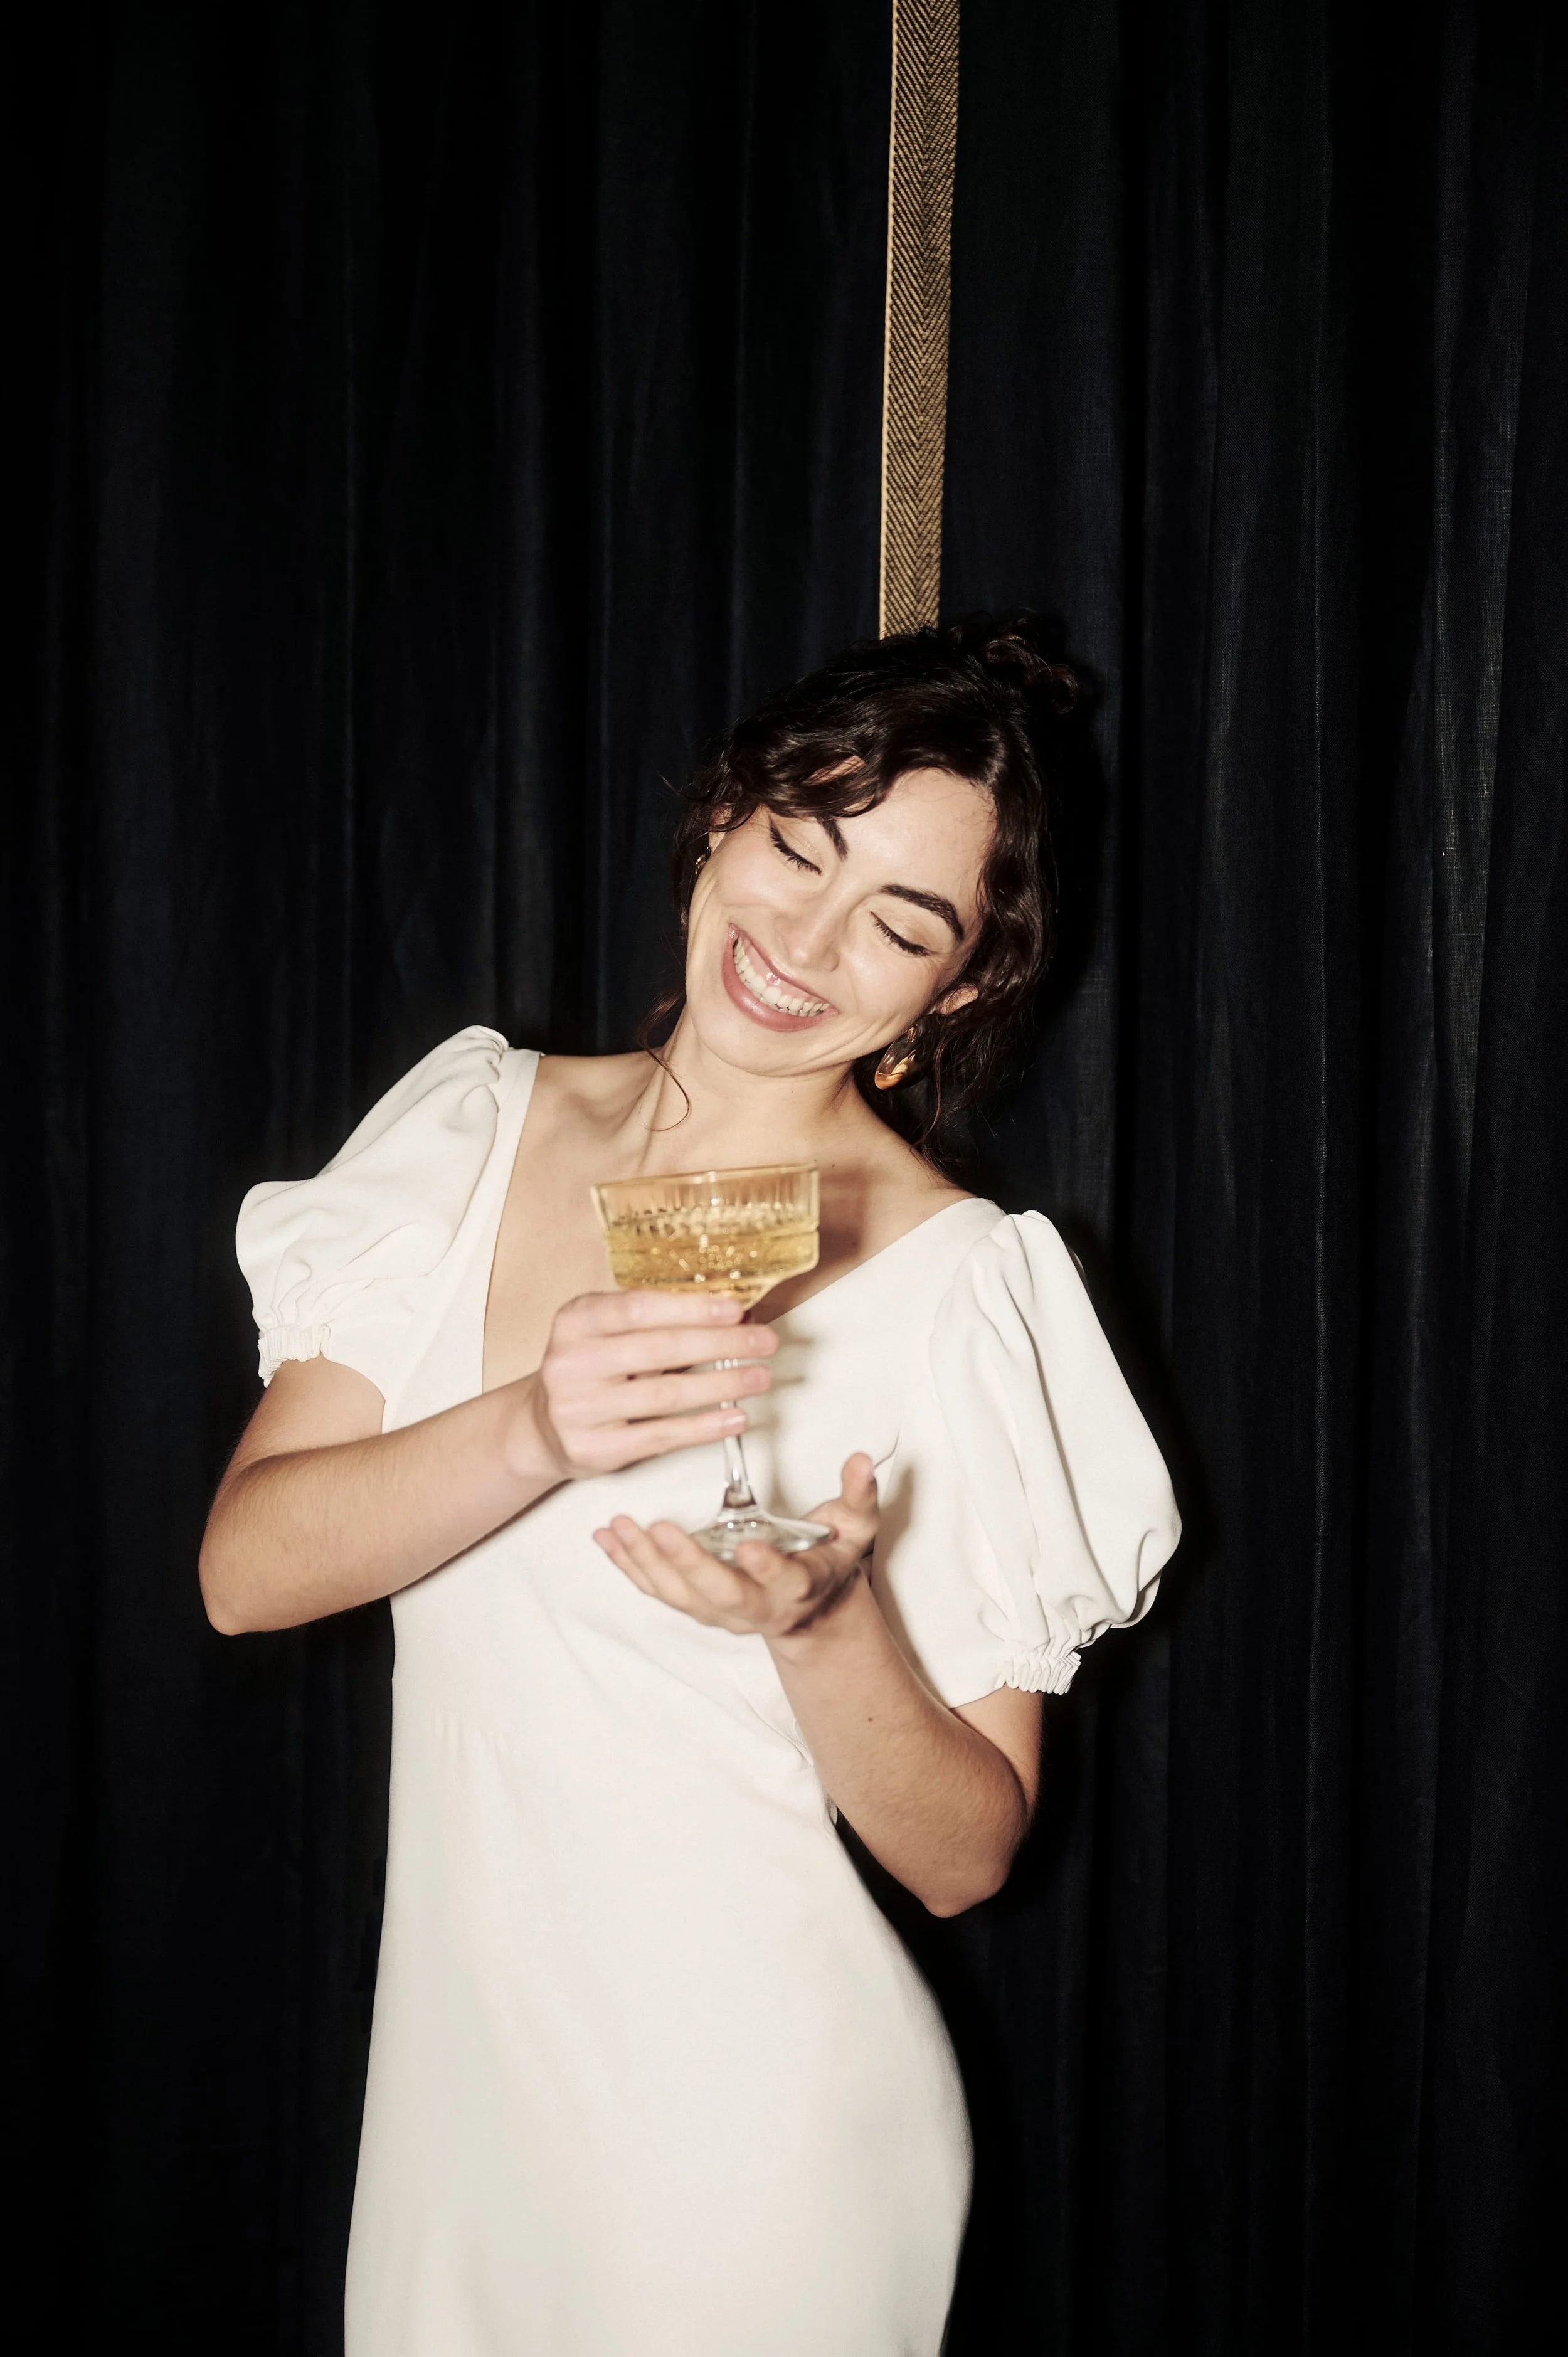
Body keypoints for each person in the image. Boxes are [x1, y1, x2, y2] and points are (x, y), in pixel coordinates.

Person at [200, 617, 1180, 2357]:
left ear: (956, 988)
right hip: (461, 2117)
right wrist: (532, 1428)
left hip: (750, 2150)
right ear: (723, 818)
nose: (803, 937)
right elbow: (248, 1572)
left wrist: (822, 1621)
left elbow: (962, 1854)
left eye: (898, 919)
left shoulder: (958, 1283)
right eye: (796, 845)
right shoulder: (474, 1130)